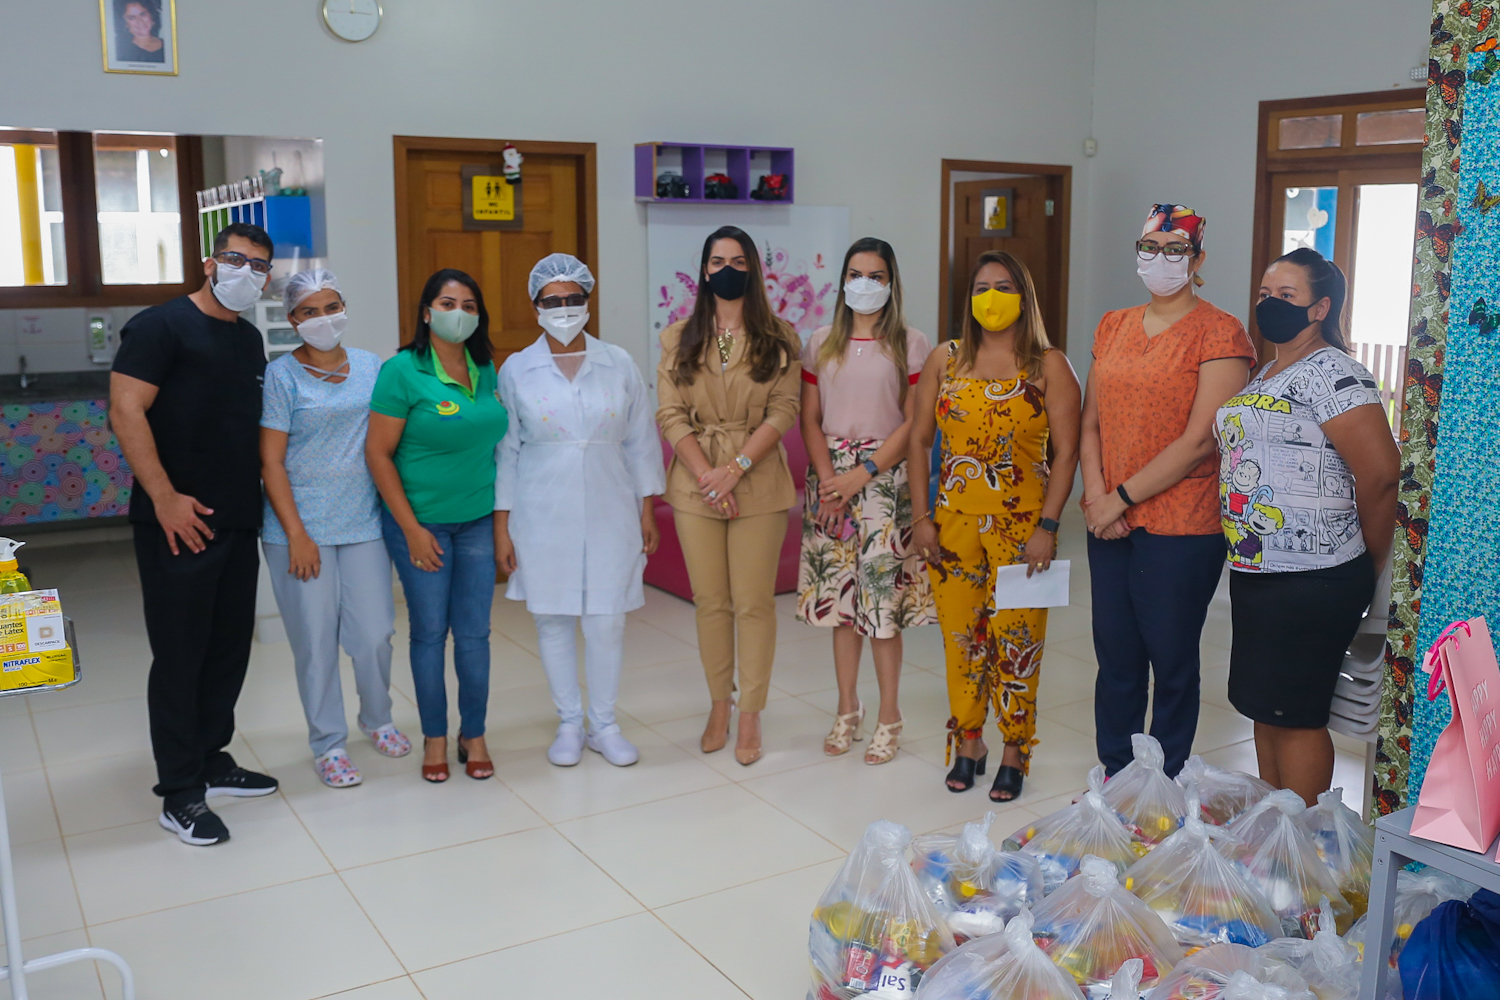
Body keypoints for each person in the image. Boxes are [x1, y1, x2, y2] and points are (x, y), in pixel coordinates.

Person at [110, 222, 280, 846]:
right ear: (210, 262)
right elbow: (125, 410)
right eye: (236, 259)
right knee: (181, 655)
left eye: (259, 267)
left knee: (228, 648)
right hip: (176, 522)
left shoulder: (249, 339)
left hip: (235, 516)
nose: (246, 273)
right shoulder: (159, 327)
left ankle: (212, 759)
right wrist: (164, 498)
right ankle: (179, 791)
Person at [1079, 204, 1255, 779]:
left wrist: (1118, 498)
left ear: (1197, 260)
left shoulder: (1219, 331)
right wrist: (1097, 498)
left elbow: (1201, 440)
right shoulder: (1112, 324)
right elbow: (1091, 425)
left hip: (1182, 523)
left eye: (1175, 250)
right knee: (1117, 657)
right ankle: (1116, 776)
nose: (1160, 260)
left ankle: (1162, 783)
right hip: (1109, 519)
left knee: (1171, 658)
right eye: (1150, 247)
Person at [1217, 248, 1397, 805]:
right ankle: (1276, 833)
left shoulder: (1335, 372)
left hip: (1314, 576)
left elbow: (1381, 475)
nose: (1270, 304)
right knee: (1265, 707)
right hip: (1260, 570)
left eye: (1286, 297)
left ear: (1320, 308)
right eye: (1266, 294)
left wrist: (1367, 558)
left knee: (1295, 714)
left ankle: (1305, 846)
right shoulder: (1269, 371)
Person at [908, 250, 1080, 801]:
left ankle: (1014, 748)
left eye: (1004, 285)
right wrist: (922, 517)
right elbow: (918, 441)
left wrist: (1048, 525)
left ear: (1024, 296)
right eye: (982, 286)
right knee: (962, 641)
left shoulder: (1049, 364)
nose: (991, 296)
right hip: (953, 526)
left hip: (1023, 528)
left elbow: (1069, 452)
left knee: (1018, 641)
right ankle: (969, 742)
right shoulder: (946, 359)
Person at [495, 254, 665, 768]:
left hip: (613, 503)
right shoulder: (516, 369)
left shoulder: (619, 362)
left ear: (587, 302)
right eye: (553, 301)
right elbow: (507, 449)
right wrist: (502, 526)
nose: (564, 308)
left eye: (574, 299)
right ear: (536, 307)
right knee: (552, 618)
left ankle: (604, 724)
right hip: (541, 505)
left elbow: (641, 439)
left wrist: (647, 509)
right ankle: (569, 722)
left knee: (606, 620)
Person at [656, 225, 801, 766]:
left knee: (753, 603)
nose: (726, 270)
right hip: (696, 487)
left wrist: (734, 469)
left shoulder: (780, 336)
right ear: (703, 270)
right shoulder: (678, 338)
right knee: (711, 603)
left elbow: (783, 410)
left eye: (737, 260)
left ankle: (752, 713)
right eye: (717, 261)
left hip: (757, 483)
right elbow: (670, 414)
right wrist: (707, 475)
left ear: (753, 270)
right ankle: (720, 703)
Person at [260, 269, 410, 789]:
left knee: (375, 634)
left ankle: (377, 716)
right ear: (292, 319)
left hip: (364, 520)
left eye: (332, 307)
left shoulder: (373, 367)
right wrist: (297, 533)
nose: (323, 320)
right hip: (299, 531)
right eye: (310, 311)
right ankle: (327, 743)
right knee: (316, 641)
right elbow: (272, 462)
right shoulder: (281, 377)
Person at [796, 237, 936, 765]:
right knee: (839, 605)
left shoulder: (912, 343)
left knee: (879, 607)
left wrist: (866, 472)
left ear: (891, 283)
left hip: (883, 480)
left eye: (876, 276)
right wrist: (830, 479)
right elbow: (809, 417)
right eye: (856, 273)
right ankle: (846, 708)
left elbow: (914, 422)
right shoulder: (821, 341)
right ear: (843, 279)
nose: (865, 284)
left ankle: (889, 715)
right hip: (829, 479)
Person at [366, 269, 508, 782]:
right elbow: (378, 455)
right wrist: (410, 529)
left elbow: (496, 449)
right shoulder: (401, 371)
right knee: (428, 633)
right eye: (448, 303)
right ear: (426, 313)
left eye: (470, 305)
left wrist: (500, 526)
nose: (459, 314)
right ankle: (433, 734)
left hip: (476, 521)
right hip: (420, 524)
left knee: (474, 635)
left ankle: (473, 733)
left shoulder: (487, 367)